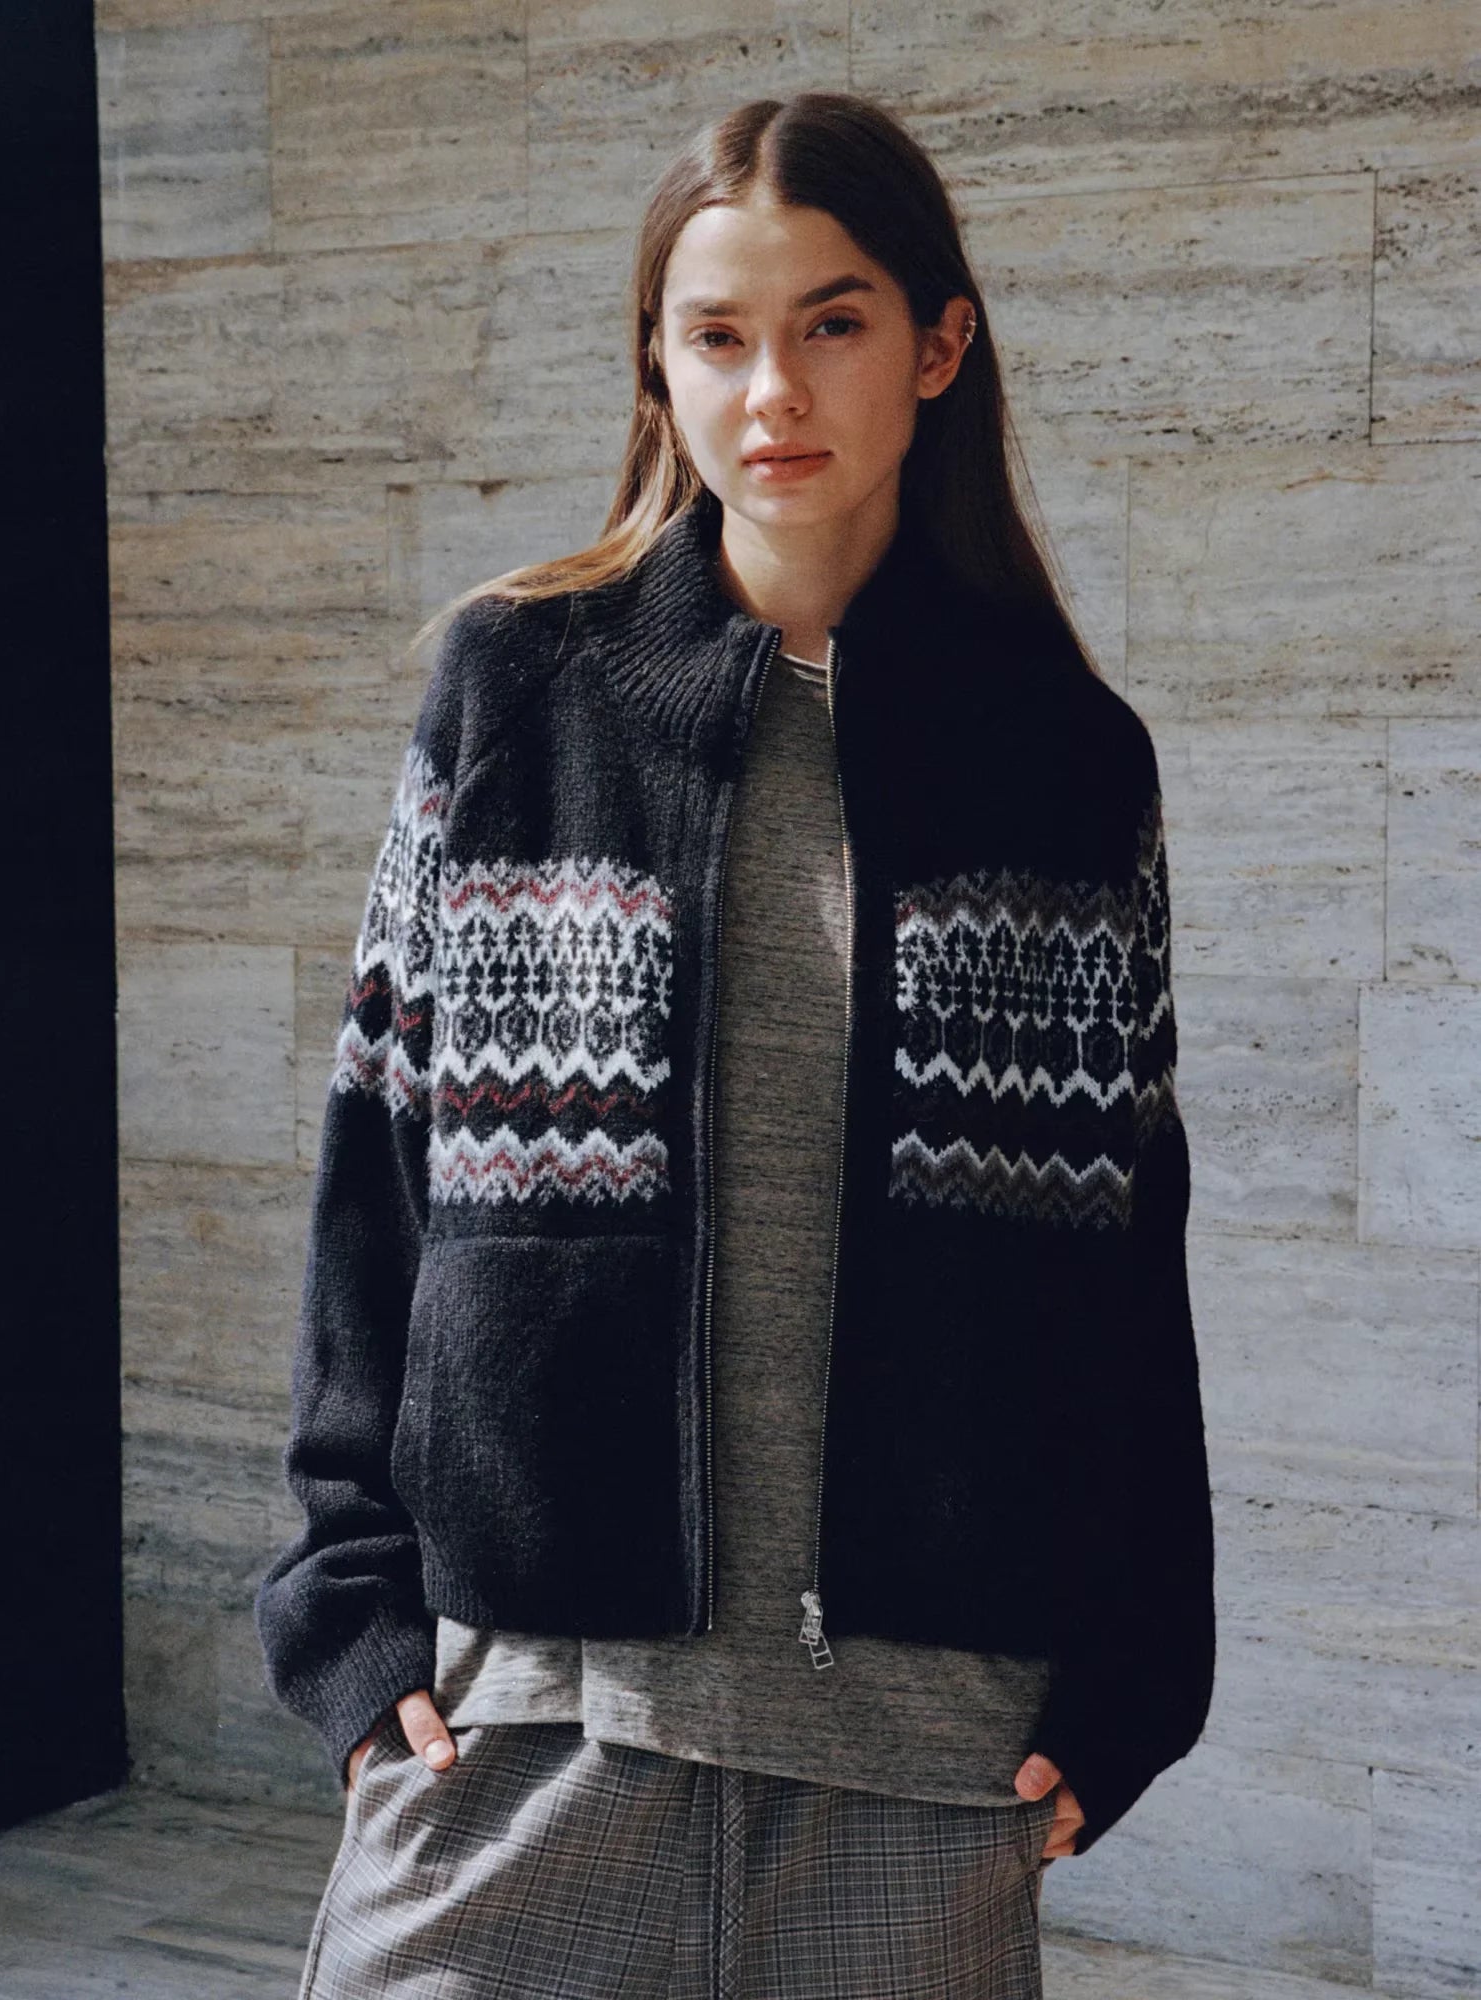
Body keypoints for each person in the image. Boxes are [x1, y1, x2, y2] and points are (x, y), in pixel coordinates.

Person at [254, 88, 1215, 2000]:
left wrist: (1138, 1668)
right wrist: (352, 1622)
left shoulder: (1065, 763)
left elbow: (1124, 1256)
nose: (774, 388)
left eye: (833, 322)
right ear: (659, 366)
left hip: (918, 1765)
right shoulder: (517, 696)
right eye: (717, 335)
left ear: (937, 345)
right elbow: (375, 1182)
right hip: (532, 1724)